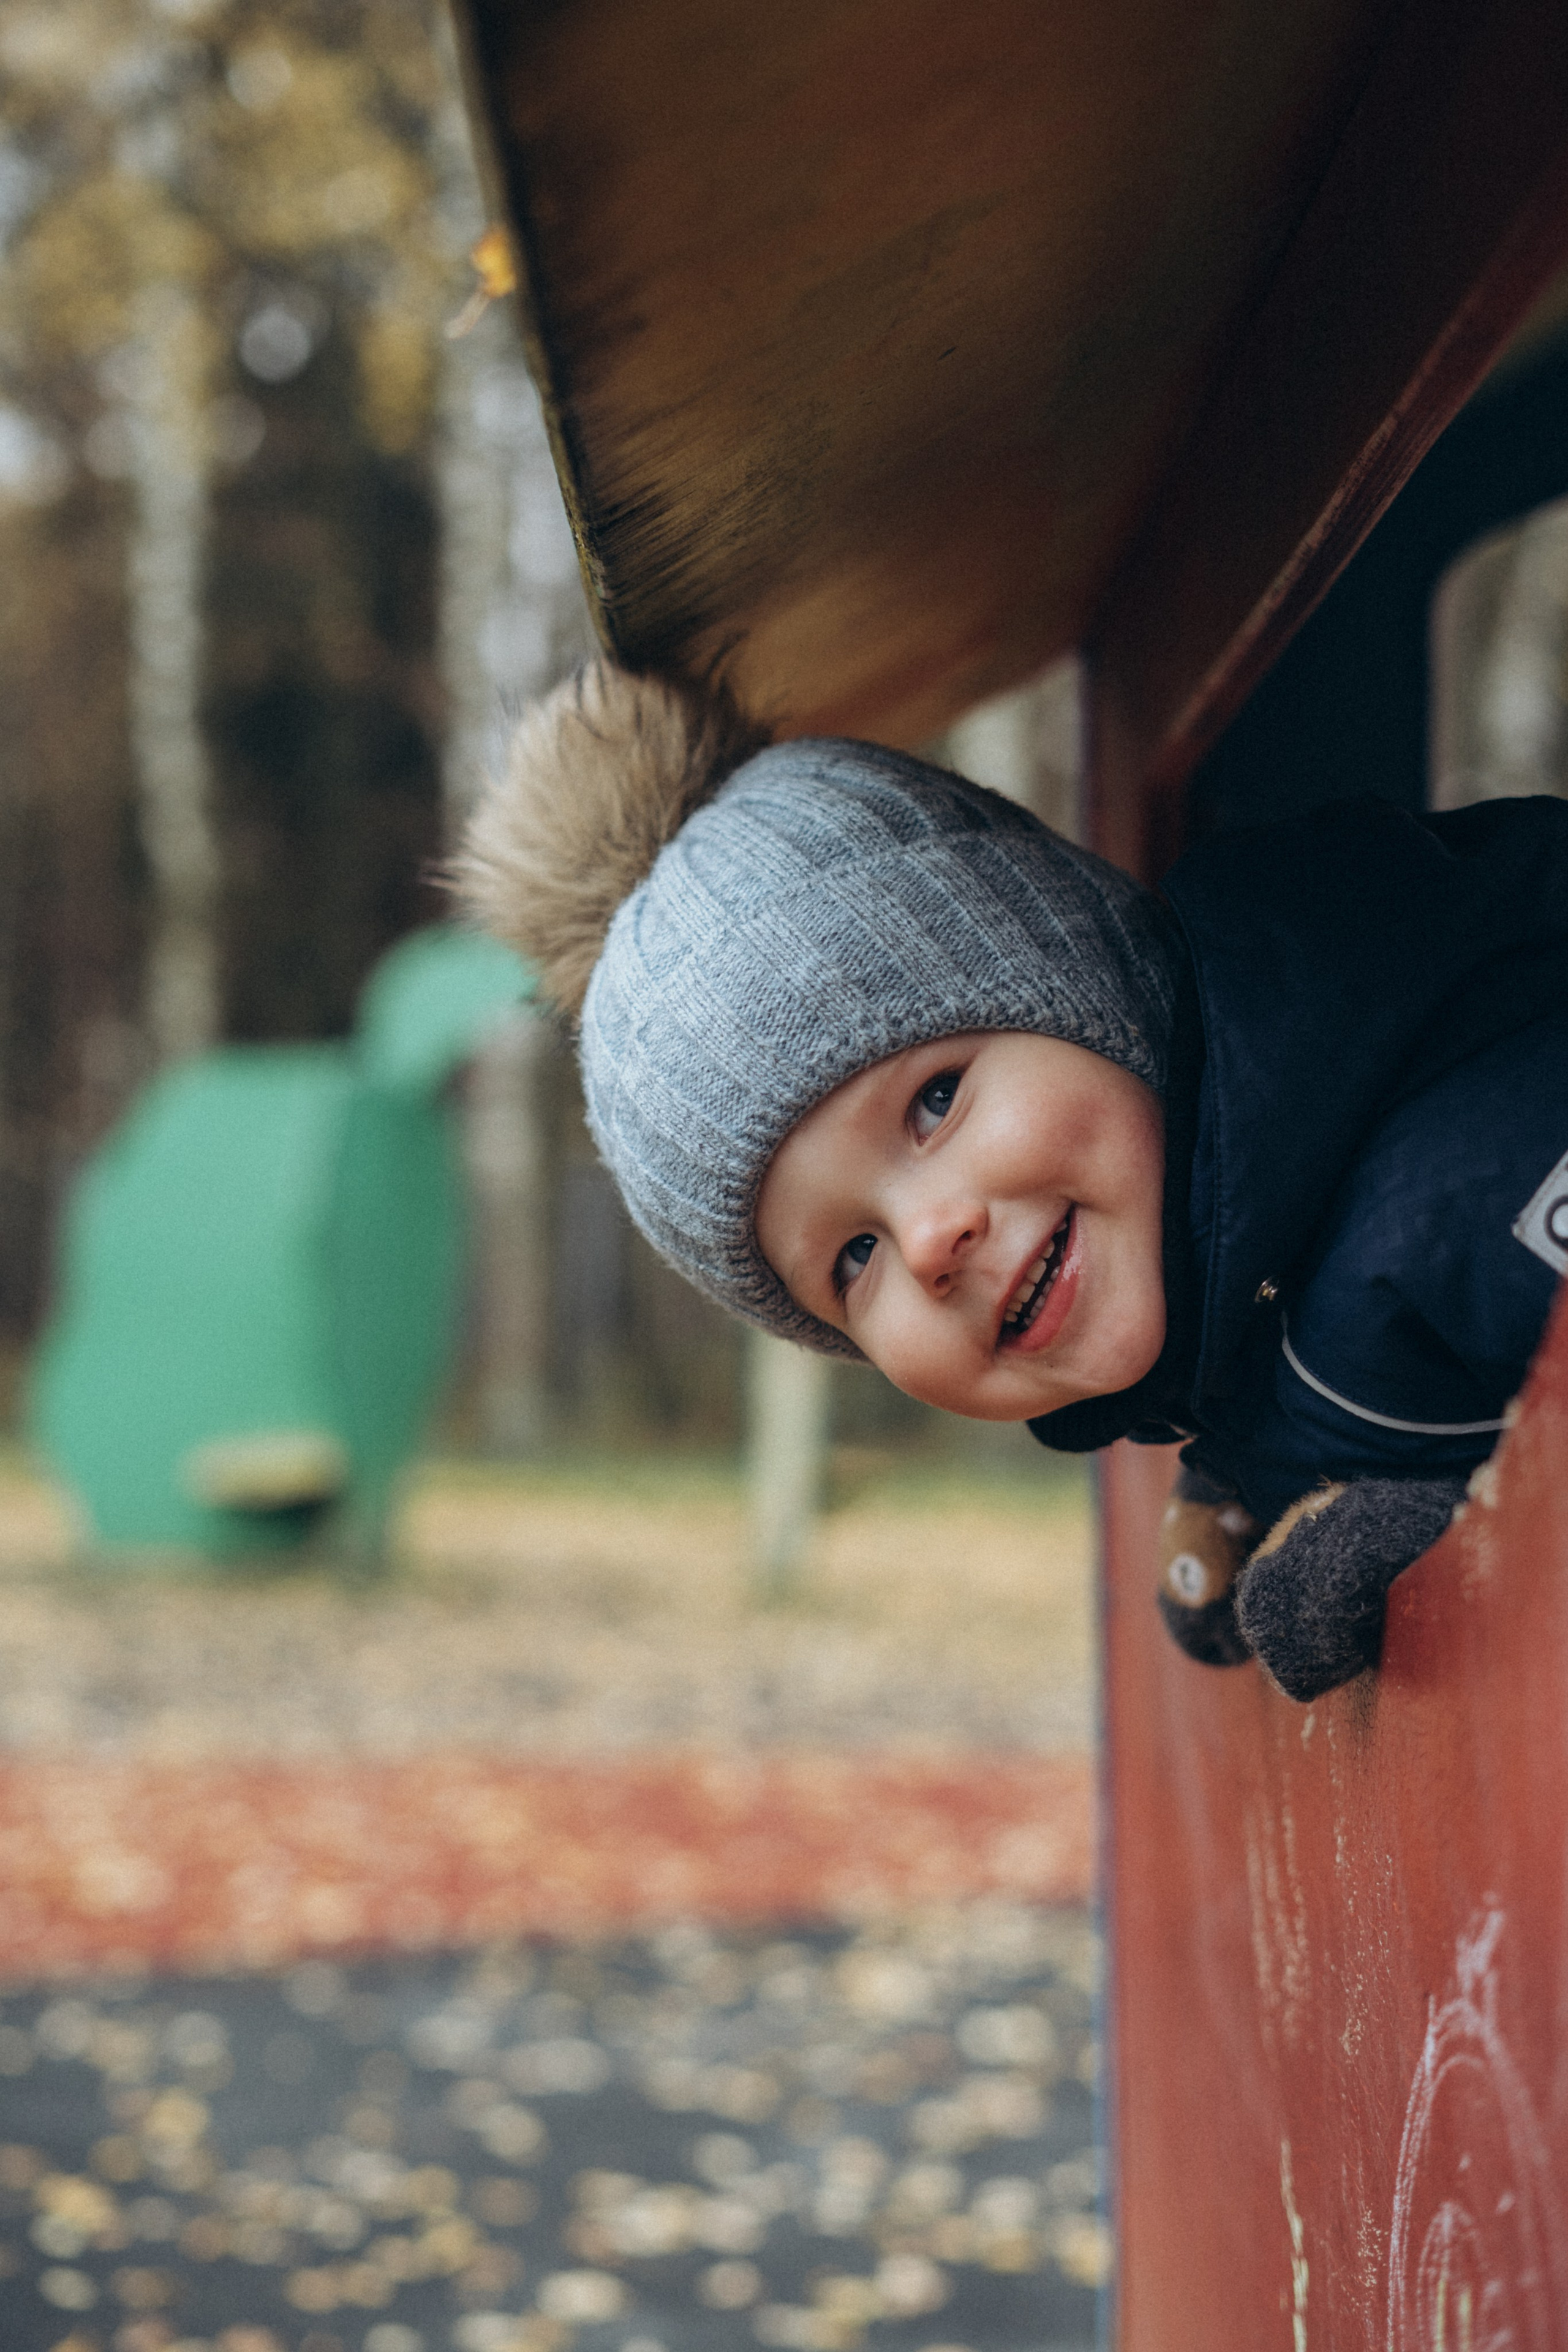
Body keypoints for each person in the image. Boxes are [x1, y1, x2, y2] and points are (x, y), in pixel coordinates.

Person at [457, 660, 1568, 1702]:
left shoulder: (1478, 1165)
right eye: (853, 1258)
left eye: (935, 1101)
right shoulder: (1233, 1309)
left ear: (1091, 988)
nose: (928, 1240)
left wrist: (1446, 1553)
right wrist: (1261, 1485)